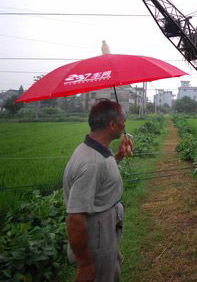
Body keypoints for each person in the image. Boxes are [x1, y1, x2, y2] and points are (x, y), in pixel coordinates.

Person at [63, 99, 133, 282]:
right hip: (97, 235)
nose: (124, 125)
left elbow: (102, 178)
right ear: (112, 124)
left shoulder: (98, 149)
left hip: (106, 229)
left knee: (111, 273)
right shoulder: (91, 163)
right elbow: (75, 219)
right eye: (123, 121)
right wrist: (85, 265)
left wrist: (119, 156)